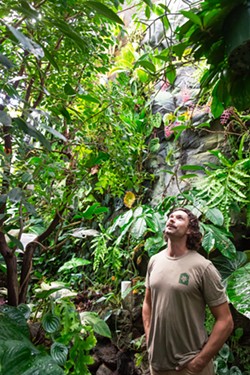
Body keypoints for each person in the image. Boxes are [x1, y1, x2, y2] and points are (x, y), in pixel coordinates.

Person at [142, 207, 234, 375]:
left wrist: (199, 362)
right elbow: (148, 303)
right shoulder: (154, 261)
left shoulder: (203, 267)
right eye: (170, 217)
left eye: (179, 218)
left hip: (189, 366)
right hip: (157, 366)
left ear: (190, 230)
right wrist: (150, 341)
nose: (171, 219)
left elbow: (225, 321)